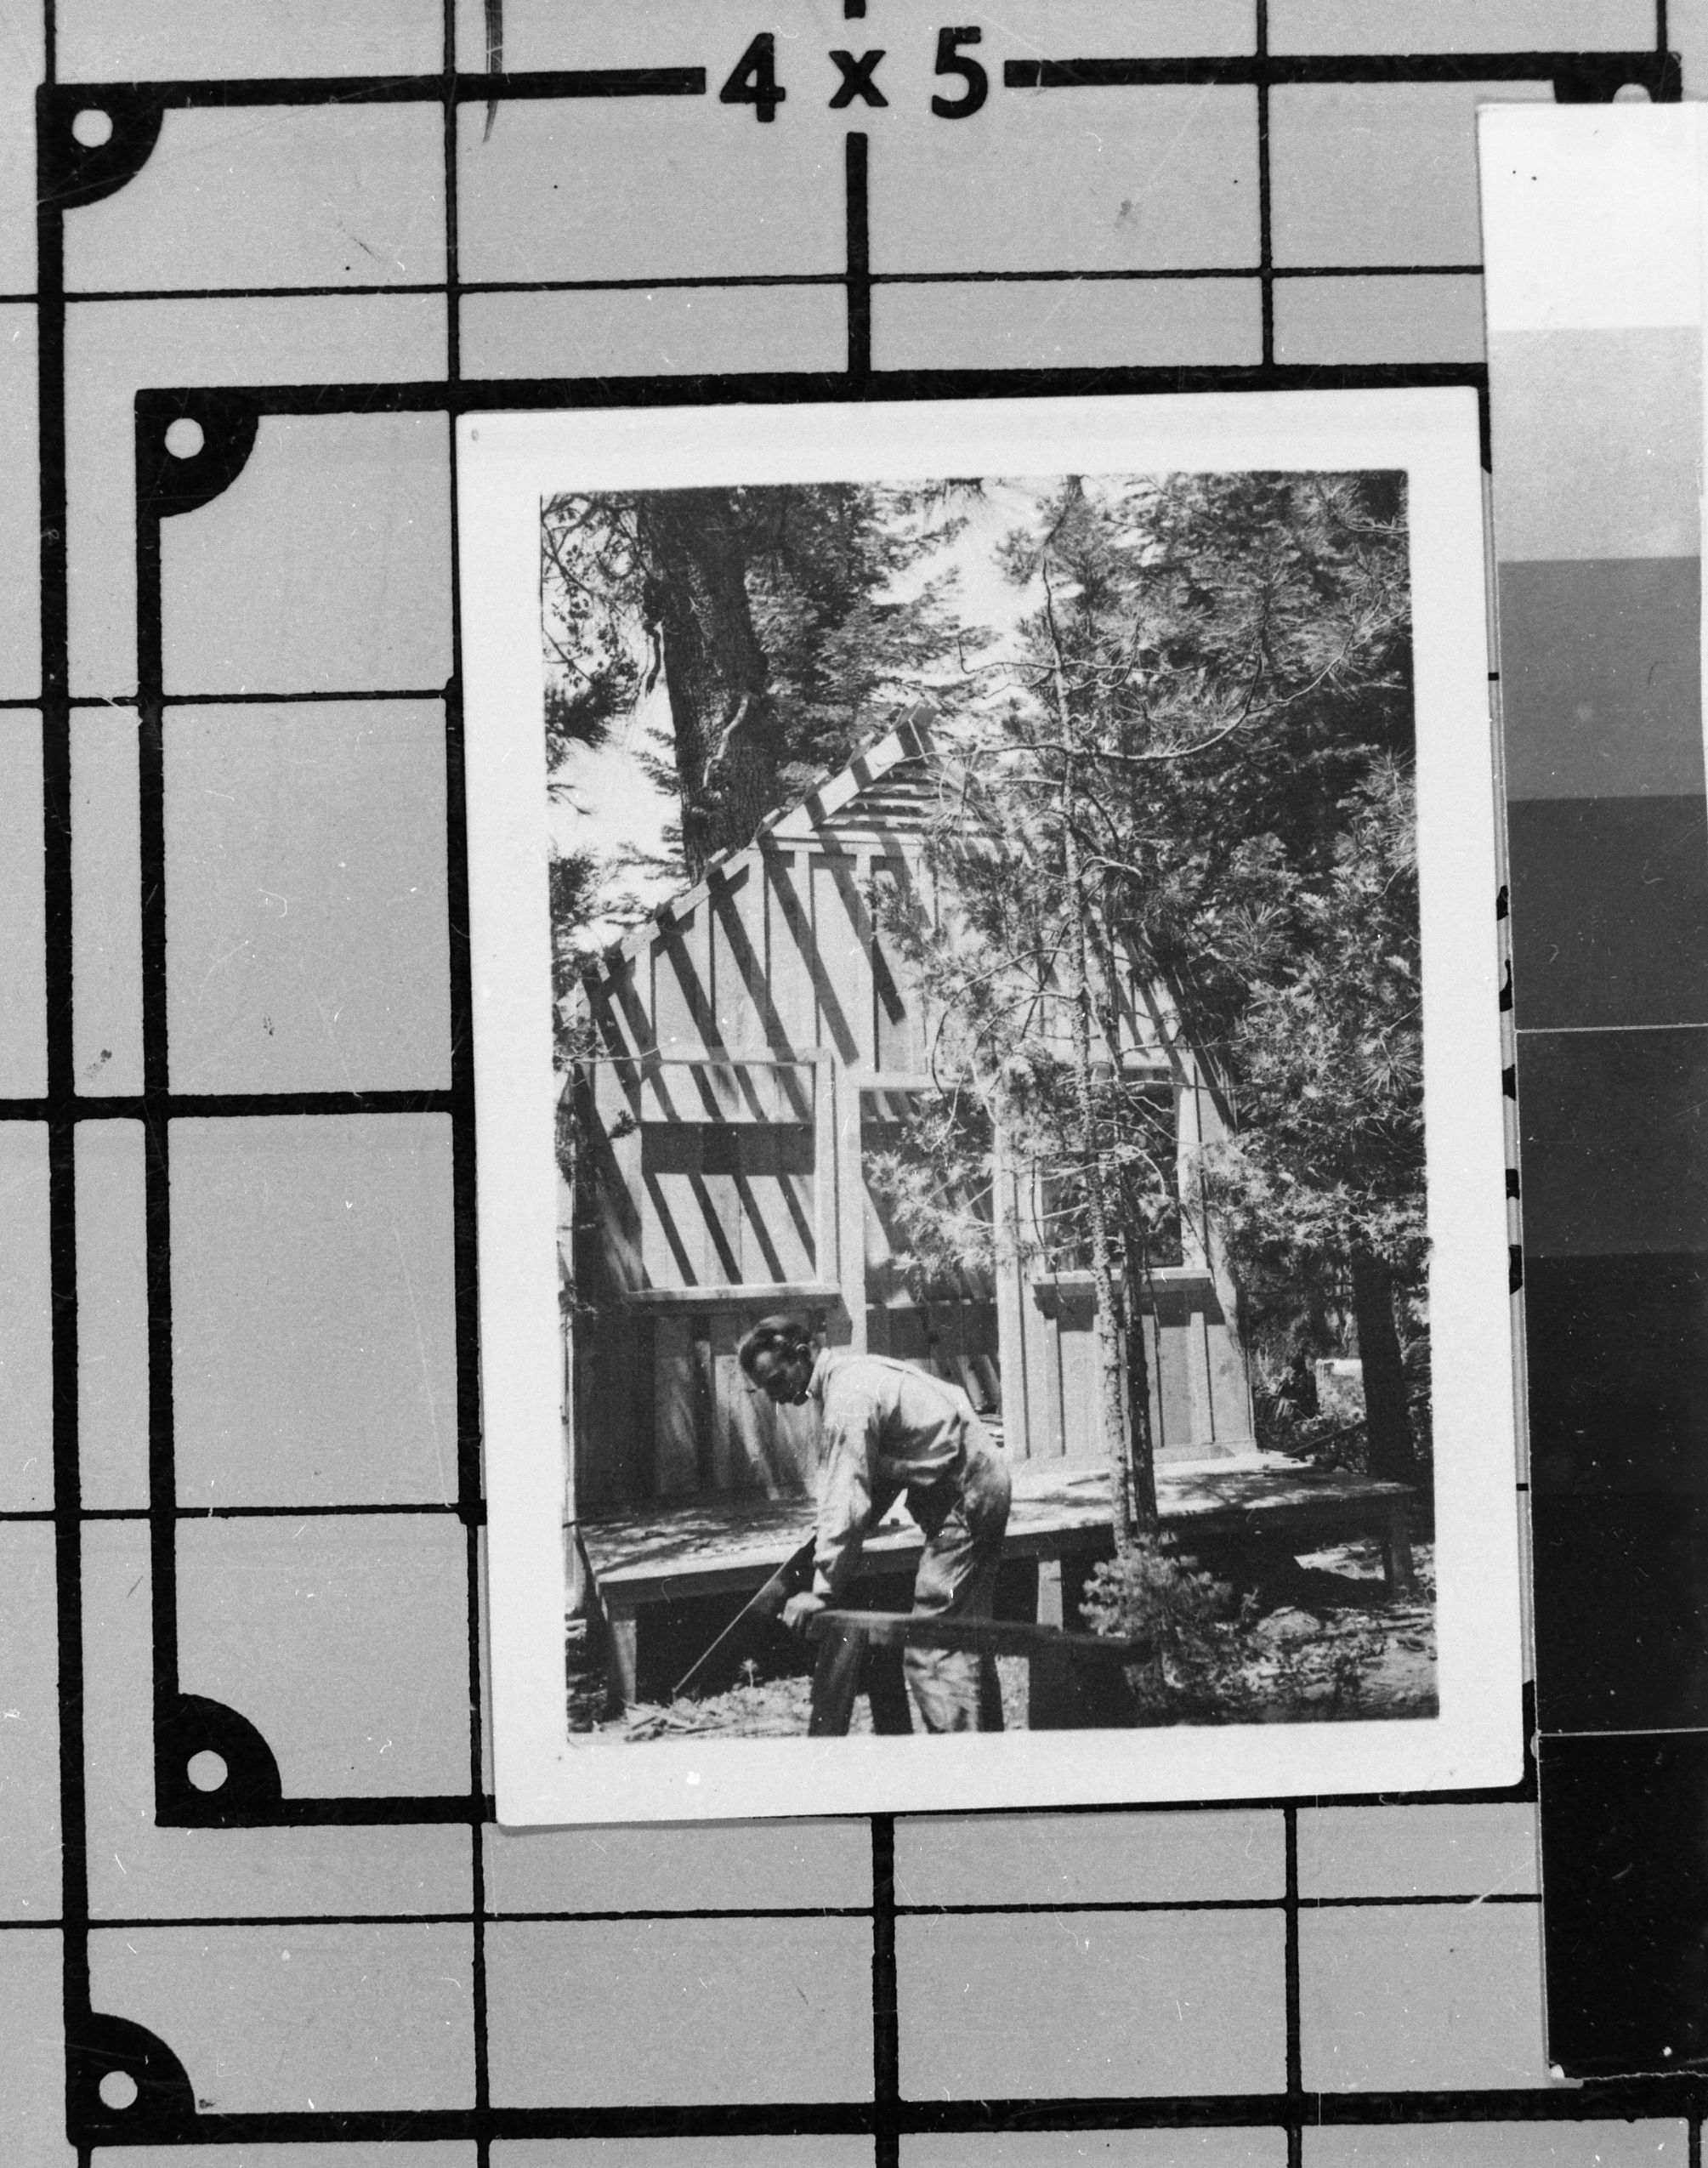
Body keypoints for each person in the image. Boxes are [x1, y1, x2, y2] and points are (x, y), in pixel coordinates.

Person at [737, 1315, 1011, 1733]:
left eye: (776, 1380)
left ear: (803, 1354)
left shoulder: (847, 1397)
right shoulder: (854, 1375)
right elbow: (878, 1477)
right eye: (766, 1389)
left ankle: (960, 1760)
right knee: (962, 1636)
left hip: (967, 1495)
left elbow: (847, 1495)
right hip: (975, 1482)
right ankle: (987, 1751)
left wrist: (823, 1590)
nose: (775, 1396)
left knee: (932, 1648)